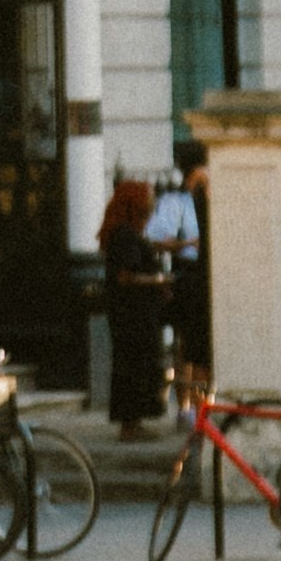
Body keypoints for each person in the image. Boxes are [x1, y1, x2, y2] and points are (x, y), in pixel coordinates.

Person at [100, 171, 167, 430]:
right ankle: (130, 423)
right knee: (134, 366)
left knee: (135, 366)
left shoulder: (126, 233)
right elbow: (126, 277)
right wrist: (160, 281)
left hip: (133, 313)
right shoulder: (125, 235)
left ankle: (134, 421)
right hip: (132, 314)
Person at [144, 151, 205, 387]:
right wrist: (188, 244)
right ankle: (186, 404)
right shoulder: (176, 202)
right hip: (189, 273)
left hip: (210, 274)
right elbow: (158, 239)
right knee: (186, 343)